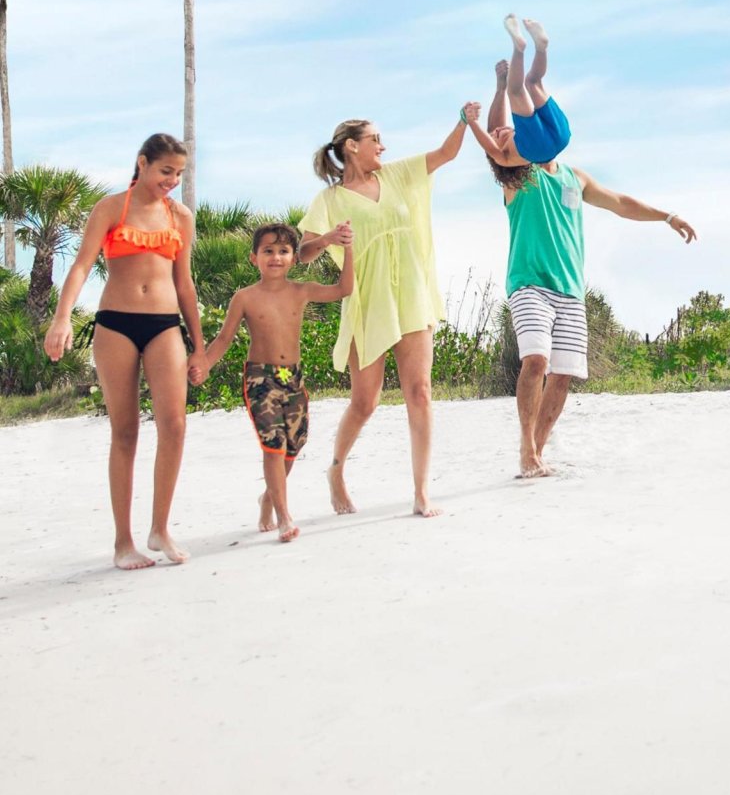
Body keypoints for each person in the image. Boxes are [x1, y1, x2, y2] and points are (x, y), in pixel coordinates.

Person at [463, 95, 697, 477]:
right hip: (528, 284)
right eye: (503, 136)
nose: (506, 135)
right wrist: (502, 86)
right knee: (536, 359)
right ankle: (526, 447)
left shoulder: (575, 177)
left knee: (564, 373)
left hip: (570, 289)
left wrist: (666, 216)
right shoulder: (517, 175)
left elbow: (620, 202)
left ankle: (537, 452)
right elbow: (496, 137)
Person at [298, 109, 476, 518]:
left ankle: (421, 492)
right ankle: (337, 472)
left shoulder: (396, 175)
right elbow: (304, 254)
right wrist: (329, 238)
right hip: (368, 301)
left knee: (420, 392)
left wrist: (464, 121)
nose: (383, 145)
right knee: (365, 402)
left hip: (412, 294)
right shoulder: (329, 199)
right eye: (375, 138)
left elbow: (446, 154)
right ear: (351, 146)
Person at [44, 132, 207, 569]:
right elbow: (81, 265)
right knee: (126, 431)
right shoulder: (111, 207)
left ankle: (160, 528)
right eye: (165, 171)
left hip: (164, 325)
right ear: (142, 163)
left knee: (173, 424)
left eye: (179, 173)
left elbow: (184, 283)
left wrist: (200, 346)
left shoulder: (181, 217)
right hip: (116, 323)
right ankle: (123, 542)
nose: (171, 180)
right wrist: (62, 318)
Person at [199, 221, 355, 542]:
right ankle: (284, 517)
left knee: (293, 446)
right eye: (268, 251)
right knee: (273, 445)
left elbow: (344, 289)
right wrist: (203, 364)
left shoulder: (301, 290)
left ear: (294, 258)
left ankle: (268, 499)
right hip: (261, 378)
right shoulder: (244, 298)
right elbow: (224, 339)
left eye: (284, 251)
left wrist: (345, 246)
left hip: (292, 378)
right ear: (253, 258)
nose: (276, 257)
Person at [467, 15, 570, 170]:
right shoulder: (503, 157)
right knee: (516, 90)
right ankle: (520, 48)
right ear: (497, 145)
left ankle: (541, 47)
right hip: (547, 143)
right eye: (495, 135)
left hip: (559, 138)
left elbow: (494, 131)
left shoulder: (520, 139)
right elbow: (487, 143)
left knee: (533, 82)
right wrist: (472, 122)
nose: (499, 129)